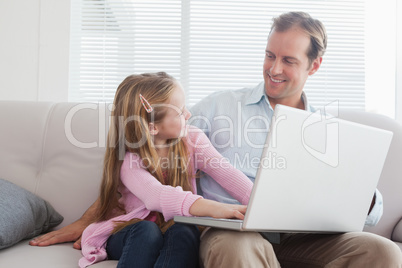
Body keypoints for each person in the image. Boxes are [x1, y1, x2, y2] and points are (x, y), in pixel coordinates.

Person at [31, 11, 402, 267]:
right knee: (238, 250)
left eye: (288, 60)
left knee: (384, 254)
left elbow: (364, 207)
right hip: (233, 231)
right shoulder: (218, 107)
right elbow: (150, 147)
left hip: (302, 236)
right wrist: (89, 218)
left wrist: (362, 195)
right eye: (270, 55)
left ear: (314, 65)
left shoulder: (327, 128)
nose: (274, 68)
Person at [77, 72, 253, 268]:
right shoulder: (129, 161)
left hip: (172, 228)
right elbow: (157, 195)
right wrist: (216, 209)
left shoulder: (192, 140)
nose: (188, 114)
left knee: (184, 229)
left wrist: (259, 203)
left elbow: (227, 174)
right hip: (131, 232)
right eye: (179, 112)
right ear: (152, 127)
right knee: (147, 231)